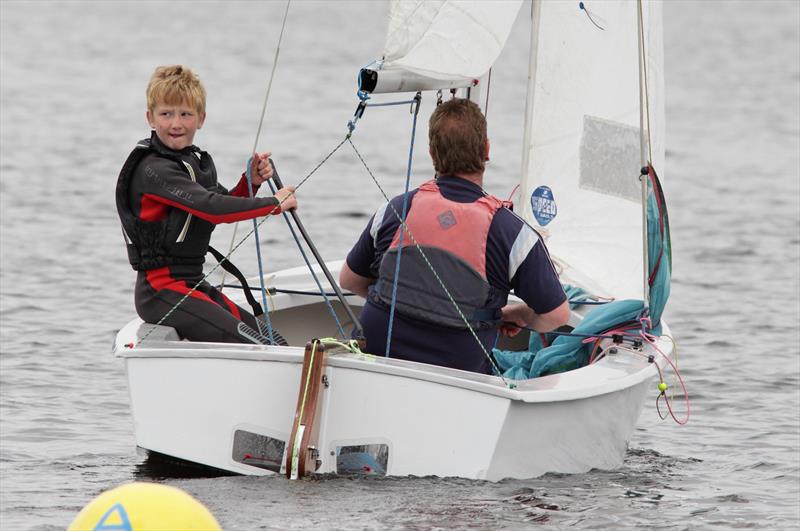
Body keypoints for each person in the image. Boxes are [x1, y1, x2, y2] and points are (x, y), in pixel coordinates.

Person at [339, 98, 569, 374]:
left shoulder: (394, 210)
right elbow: (556, 315)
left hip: (378, 357)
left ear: (432, 154)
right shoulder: (515, 235)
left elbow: (350, 280)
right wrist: (519, 314)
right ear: (486, 150)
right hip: (458, 374)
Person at [116, 65, 298, 344]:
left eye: (185, 114)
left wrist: (250, 183)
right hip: (161, 293)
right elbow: (211, 207)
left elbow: (218, 206)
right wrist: (273, 203)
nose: (176, 123)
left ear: (200, 119)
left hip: (192, 284)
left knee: (274, 340)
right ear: (150, 119)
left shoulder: (191, 163)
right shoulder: (154, 170)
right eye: (166, 114)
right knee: (259, 344)